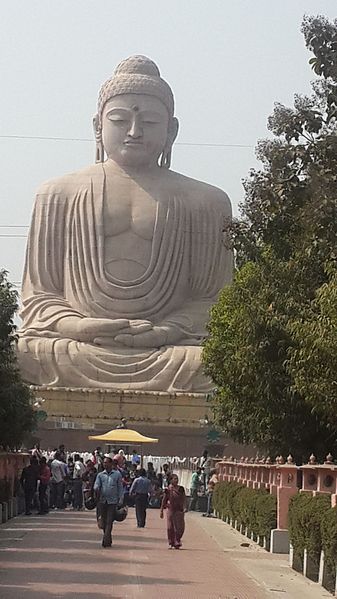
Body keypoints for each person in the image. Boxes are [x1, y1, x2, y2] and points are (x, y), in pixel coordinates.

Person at [17, 55, 232, 394]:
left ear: (171, 130)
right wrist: (80, 326)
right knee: (21, 354)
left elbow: (214, 302)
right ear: (97, 126)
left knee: (214, 362)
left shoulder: (206, 201)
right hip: (75, 347)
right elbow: (40, 296)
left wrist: (165, 331)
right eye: (119, 120)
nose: (134, 132)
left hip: (170, 351)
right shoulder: (57, 193)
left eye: (148, 121)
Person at [94, 457, 124, 547]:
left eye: (107, 463)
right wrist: (96, 488)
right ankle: (108, 537)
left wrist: (120, 499)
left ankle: (105, 540)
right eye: (104, 463)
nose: (105, 464)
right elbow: (96, 485)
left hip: (112, 501)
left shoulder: (117, 475)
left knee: (109, 521)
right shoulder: (100, 475)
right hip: (102, 501)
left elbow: (120, 488)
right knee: (103, 521)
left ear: (111, 464)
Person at [160, 474, 186, 549]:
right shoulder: (168, 489)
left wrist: (184, 507)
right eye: (174, 479)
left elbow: (184, 498)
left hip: (179, 510)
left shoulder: (181, 489)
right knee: (170, 527)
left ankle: (177, 539)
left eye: (177, 479)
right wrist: (161, 510)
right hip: (170, 509)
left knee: (179, 527)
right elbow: (164, 500)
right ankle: (172, 542)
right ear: (171, 480)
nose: (176, 480)